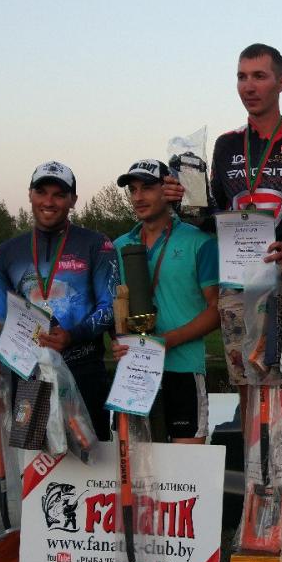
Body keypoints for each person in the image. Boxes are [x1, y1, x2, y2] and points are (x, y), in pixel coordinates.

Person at [207, 43, 282, 405]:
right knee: (247, 386)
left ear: (281, 82)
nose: (249, 86)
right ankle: (253, 448)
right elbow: (214, 213)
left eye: (259, 76)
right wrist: (182, 198)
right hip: (238, 282)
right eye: (242, 77)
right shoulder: (226, 145)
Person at [0, 161, 118, 440]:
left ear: (73, 200)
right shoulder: (8, 252)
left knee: (90, 460)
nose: (49, 202)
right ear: (30, 194)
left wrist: (73, 335)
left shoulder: (97, 244)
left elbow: (110, 307)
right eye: (41, 192)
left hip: (83, 372)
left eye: (59, 195)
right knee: (32, 461)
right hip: (28, 376)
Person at [114, 159, 220, 444]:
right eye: (133, 190)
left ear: (169, 188)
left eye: (147, 188)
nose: (138, 197)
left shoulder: (200, 241)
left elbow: (217, 310)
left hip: (183, 368)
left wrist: (167, 341)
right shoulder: (119, 246)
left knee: (186, 465)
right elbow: (114, 308)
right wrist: (118, 339)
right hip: (134, 371)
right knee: (135, 465)